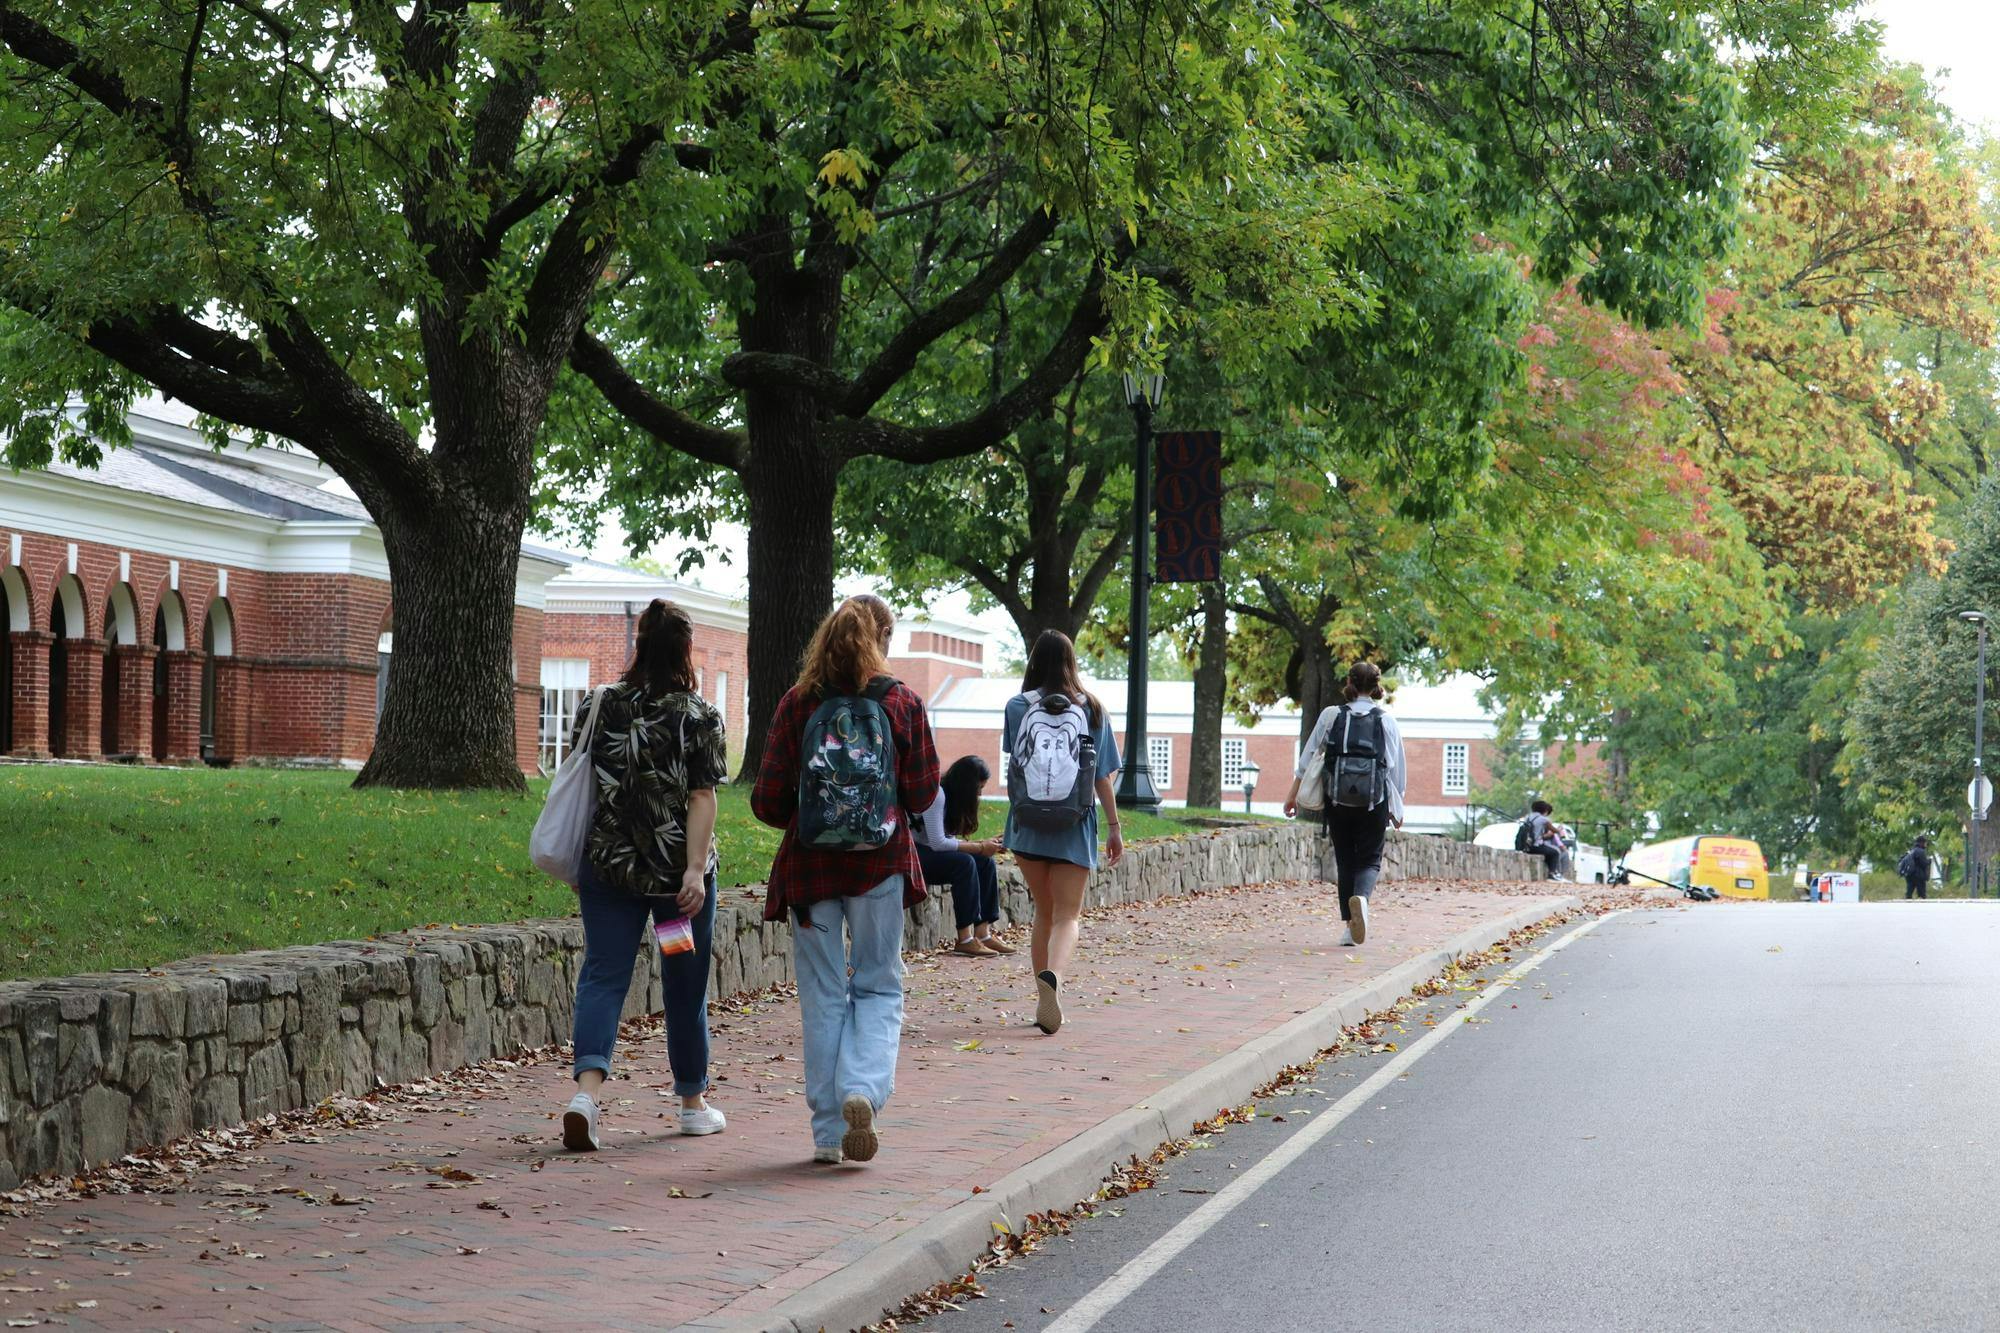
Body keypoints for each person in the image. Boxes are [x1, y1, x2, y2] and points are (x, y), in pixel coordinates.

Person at [752, 595, 940, 1166]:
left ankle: (828, 1134)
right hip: (881, 869)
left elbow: (766, 800)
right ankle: (863, 1089)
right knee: (880, 986)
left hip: (810, 871)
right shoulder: (902, 703)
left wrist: (816, 817)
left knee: (824, 995)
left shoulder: (797, 704)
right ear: (882, 639)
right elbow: (924, 793)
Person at [561, 599, 728, 1152]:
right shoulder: (698, 716)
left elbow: (583, 775)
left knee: (604, 975)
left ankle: (585, 1095)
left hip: (608, 872)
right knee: (683, 981)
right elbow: (702, 797)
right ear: (684, 649)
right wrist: (695, 873)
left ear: (639, 644)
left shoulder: (599, 703)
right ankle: (691, 1103)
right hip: (673, 890)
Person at [1001, 630, 1124, 1035]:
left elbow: (1016, 764)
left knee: (1044, 911)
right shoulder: (1092, 709)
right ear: (1071, 661)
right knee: (1068, 915)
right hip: (1075, 822)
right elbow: (1103, 776)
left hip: (1028, 825)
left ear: (1034, 660)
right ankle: (1055, 976)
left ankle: (1042, 998)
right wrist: (1114, 827)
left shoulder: (1018, 707)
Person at [1284, 662, 1407, 946]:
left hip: (1337, 799)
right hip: (1374, 801)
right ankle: (1361, 900)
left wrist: (1293, 795)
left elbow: (1308, 757)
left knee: (1345, 859)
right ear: (1376, 686)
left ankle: (1349, 928)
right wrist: (1396, 807)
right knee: (1370, 859)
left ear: (1350, 681)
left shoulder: (1331, 715)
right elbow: (1396, 770)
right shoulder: (1386, 720)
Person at [916, 755, 1012, 956]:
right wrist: (979, 846)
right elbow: (938, 843)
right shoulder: (937, 795)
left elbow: (947, 839)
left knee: (985, 862)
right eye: (978, 789)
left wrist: (985, 845)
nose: (978, 794)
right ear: (966, 786)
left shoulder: (950, 797)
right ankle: (965, 938)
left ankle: (983, 933)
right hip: (914, 856)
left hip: (929, 852)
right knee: (965, 863)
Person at [1521, 799, 1566, 881]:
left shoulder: (1528, 817)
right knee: (1555, 852)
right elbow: (1554, 830)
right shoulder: (1543, 819)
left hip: (1525, 846)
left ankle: (1553, 872)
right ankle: (1552, 874)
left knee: (1549, 851)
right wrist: (1559, 829)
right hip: (1535, 846)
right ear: (1545, 810)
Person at [1898, 835, 1932, 900]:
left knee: (1909, 894)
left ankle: (1908, 906)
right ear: (1922, 843)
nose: (1926, 844)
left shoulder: (1911, 851)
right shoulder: (1920, 851)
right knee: (1922, 895)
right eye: (1925, 843)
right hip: (1919, 876)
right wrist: (1929, 861)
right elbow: (1924, 863)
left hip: (1909, 875)